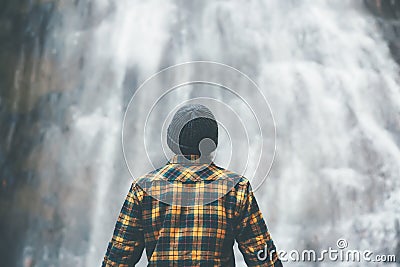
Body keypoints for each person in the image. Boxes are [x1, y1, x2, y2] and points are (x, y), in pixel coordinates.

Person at [102, 104, 282, 266]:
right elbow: (264, 260)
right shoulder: (236, 188)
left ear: (171, 141)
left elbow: (117, 260)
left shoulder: (143, 188)